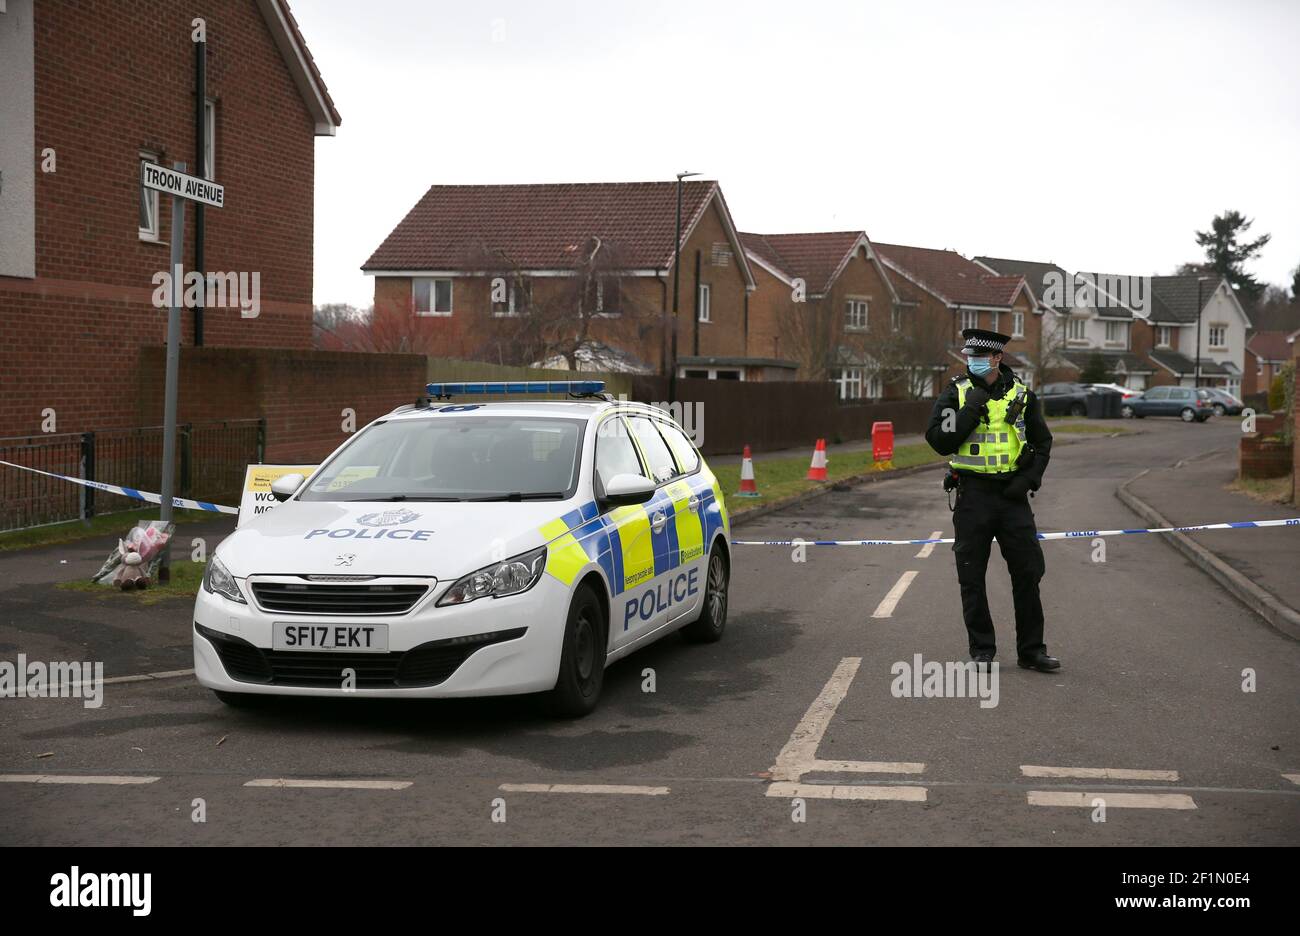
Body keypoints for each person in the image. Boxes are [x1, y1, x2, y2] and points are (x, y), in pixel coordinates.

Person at [924, 328, 1059, 672]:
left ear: (998, 358)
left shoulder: (1023, 395)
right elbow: (940, 441)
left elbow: (1043, 444)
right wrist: (969, 411)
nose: (973, 362)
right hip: (972, 497)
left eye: (980, 357)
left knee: (1028, 573)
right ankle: (982, 650)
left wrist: (1027, 480)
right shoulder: (956, 394)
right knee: (971, 576)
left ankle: (1032, 651)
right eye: (969, 357)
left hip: (1012, 497)